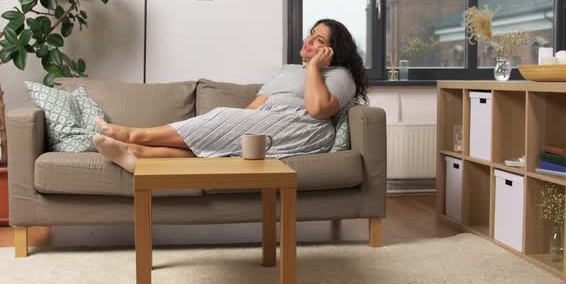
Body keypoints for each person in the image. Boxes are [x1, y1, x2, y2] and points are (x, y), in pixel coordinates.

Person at [92, 19, 369, 173]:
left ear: (332, 51)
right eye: (310, 35)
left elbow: (319, 110)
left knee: (222, 116)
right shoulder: (285, 70)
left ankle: (134, 136)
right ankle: (135, 155)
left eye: (319, 41)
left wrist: (314, 69)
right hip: (267, 122)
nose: (309, 41)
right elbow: (254, 107)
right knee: (221, 137)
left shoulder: (340, 75)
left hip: (304, 128)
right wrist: (232, 127)